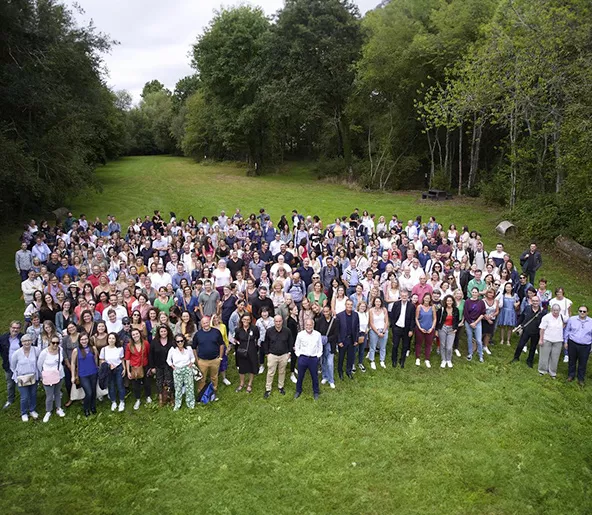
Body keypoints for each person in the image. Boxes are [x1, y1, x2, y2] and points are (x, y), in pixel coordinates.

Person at [192, 316, 224, 400]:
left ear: (209, 322)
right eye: (203, 323)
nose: (205, 324)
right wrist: (197, 360)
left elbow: (221, 345)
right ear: (201, 324)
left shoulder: (216, 332)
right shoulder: (198, 334)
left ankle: (213, 393)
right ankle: (201, 394)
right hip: (202, 361)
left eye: (207, 322)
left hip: (215, 360)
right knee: (202, 378)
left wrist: (220, 358)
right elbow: (194, 348)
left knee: (214, 377)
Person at [10, 334, 39, 421]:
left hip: (33, 376)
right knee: (24, 396)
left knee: (33, 394)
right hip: (21, 378)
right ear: (21, 342)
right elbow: (13, 365)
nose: (27, 342)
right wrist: (18, 373)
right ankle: (24, 413)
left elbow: (39, 361)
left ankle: (32, 410)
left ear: (31, 341)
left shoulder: (36, 350)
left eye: (29, 340)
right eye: (25, 341)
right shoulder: (17, 353)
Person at [37, 335, 66, 422]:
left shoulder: (60, 349)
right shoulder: (44, 352)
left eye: (57, 342)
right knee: (49, 395)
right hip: (48, 376)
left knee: (57, 392)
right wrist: (42, 375)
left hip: (59, 374)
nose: (55, 344)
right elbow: (39, 364)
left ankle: (58, 408)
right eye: (53, 342)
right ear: (50, 343)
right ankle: (48, 411)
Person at [262, 315, 293, 398]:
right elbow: (266, 343)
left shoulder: (287, 331)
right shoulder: (269, 331)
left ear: (282, 321)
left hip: (284, 355)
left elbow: (290, 342)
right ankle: (268, 389)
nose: (278, 323)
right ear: (274, 322)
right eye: (276, 321)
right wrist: (267, 353)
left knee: (282, 372)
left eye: (279, 321)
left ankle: (280, 387)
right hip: (272, 355)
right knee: (270, 372)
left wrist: (289, 353)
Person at [294, 318, 323, 400]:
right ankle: (298, 391)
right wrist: (298, 355)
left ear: (313, 325)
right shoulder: (300, 334)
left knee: (315, 376)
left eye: (310, 325)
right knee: (300, 376)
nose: (308, 326)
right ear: (305, 325)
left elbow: (320, 346)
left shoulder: (318, 334)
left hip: (313, 358)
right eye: (307, 325)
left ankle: (316, 392)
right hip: (303, 358)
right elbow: (297, 346)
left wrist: (318, 356)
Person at [71, 332, 98, 417]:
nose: (84, 341)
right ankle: (86, 408)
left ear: (88, 339)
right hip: (83, 375)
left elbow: (96, 359)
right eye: (82, 339)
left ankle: (93, 406)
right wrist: (73, 375)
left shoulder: (93, 348)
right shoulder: (76, 350)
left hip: (93, 373)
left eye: (85, 339)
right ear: (79, 340)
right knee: (88, 392)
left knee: (93, 391)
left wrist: (97, 369)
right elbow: (73, 363)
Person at [512, 296, 545, 368]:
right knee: (520, 345)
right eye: (533, 301)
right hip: (526, 330)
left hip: (536, 332)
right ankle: (516, 357)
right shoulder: (527, 308)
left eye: (536, 301)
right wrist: (517, 325)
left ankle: (530, 361)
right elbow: (522, 317)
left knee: (533, 347)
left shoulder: (543, 312)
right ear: (531, 301)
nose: (535, 302)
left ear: (539, 302)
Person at [563, 306, 592, 385]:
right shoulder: (572, 319)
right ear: (578, 311)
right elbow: (567, 331)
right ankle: (571, 375)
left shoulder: (591, 322)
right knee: (572, 361)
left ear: (587, 313)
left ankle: (580, 378)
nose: (582, 313)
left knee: (583, 363)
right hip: (573, 343)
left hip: (585, 346)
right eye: (580, 311)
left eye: (584, 311)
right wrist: (565, 342)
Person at [166, 334, 196, 410]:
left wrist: (190, 364)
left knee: (190, 387)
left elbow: (193, 358)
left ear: (184, 340)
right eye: (178, 341)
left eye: (181, 341)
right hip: (177, 370)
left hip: (187, 369)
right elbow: (168, 360)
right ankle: (177, 404)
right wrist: (173, 367)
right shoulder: (172, 349)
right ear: (175, 342)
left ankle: (190, 404)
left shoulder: (188, 348)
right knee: (178, 388)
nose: (180, 343)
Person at [125, 328, 152, 410]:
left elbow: (149, 355)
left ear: (140, 334)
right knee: (136, 385)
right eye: (133, 334)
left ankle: (148, 396)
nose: (135, 336)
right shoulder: (129, 346)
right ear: (131, 336)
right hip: (135, 368)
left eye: (137, 334)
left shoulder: (146, 343)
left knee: (147, 383)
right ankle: (138, 399)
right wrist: (128, 371)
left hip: (145, 366)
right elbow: (127, 359)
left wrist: (150, 367)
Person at [99, 332, 126, 412]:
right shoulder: (104, 349)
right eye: (110, 338)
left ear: (116, 339)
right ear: (107, 339)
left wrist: (124, 369)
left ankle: (122, 401)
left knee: (120, 385)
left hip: (118, 368)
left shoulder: (120, 349)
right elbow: (101, 360)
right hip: (109, 370)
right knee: (111, 386)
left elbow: (122, 359)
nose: (111, 340)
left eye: (113, 338)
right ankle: (113, 402)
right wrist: (108, 365)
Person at [538, 304, 565, 378]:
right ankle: (542, 371)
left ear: (559, 311)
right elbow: (542, 329)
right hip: (547, 339)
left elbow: (566, 323)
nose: (555, 312)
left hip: (558, 340)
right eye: (554, 310)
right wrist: (541, 339)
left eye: (557, 310)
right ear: (551, 310)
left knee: (555, 357)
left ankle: (552, 372)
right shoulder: (546, 317)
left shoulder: (562, 317)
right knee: (544, 356)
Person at [149, 324, 174, 406]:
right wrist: (152, 367)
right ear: (158, 332)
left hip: (168, 366)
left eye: (165, 331)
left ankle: (170, 397)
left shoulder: (172, 341)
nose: (163, 333)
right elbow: (151, 355)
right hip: (158, 365)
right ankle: (161, 398)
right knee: (159, 382)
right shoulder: (154, 342)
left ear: (167, 331)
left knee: (169, 382)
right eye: (161, 331)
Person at [234, 313, 260, 393]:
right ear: (241, 320)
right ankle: (241, 383)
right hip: (242, 350)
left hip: (252, 349)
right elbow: (236, 338)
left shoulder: (254, 328)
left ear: (250, 320)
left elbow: (257, 336)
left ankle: (249, 384)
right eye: (244, 319)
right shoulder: (238, 329)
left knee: (252, 367)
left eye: (248, 319)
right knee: (242, 367)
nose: (246, 321)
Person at [0, 321, 24, 409]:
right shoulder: (3, 338)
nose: (15, 330)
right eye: (14, 327)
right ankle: (10, 400)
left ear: (20, 329)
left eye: (17, 328)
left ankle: (24, 399)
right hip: (8, 366)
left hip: (20, 367)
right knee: (10, 384)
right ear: (10, 328)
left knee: (21, 384)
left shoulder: (22, 338)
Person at [390, 291, 415, 368]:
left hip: (406, 329)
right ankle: (394, 360)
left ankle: (402, 360)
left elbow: (412, 319)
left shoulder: (411, 306)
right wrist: (393, 327)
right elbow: (392, 316)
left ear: (408, 297)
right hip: (397, 327)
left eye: (405, 296)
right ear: (400, 296)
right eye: (402, 295)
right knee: (395, 345)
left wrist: (411, 330)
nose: (404, 297)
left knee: (405, 346)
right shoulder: (396, 304)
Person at [316, 305, 339, 389]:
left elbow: (336, 334)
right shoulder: (319, 321)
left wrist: (327, 339)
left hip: (330, 344)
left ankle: (331, 380)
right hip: (321, 345)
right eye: (324, 311)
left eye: (327, 311)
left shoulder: (335, 321)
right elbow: (317, 332)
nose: (326, 313)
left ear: (330, 311)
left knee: (330, 363)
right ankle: (325, 376)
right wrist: (321, 340)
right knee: (323, 362)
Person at [336, 299, 359, 380]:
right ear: (345, 305)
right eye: (348, 304)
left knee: (350, 357)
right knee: (341, 357)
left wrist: (356, 340)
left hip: (351, 340)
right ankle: (340, 371)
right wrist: (339, 341)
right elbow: (337, 330)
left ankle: (348, 371)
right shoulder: (339, 315)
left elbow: (357, 327)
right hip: (343, 340)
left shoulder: (355, 315)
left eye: (351, 304)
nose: (349, 306)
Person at [436, 295, 459, 368]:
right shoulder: (441, 309)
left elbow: (457, 320)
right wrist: (436, 330)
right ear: (445, 301)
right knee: (442, 345)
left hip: (451, 329)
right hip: (443, 328)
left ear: (453, 301)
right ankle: (443, 360)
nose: (449, 302)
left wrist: (456, 328)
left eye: (450, 301)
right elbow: (437, 320)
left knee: (449, 347)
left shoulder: (456, 310)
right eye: (447, 301)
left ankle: (449, 360)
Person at [414, 293, 436, 368]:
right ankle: (417, 358)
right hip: (420, 328)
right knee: (418, 343)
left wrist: (432, 328)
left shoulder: (432, 307)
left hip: (429, 329)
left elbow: (434, 318)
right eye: (425, 298)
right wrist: (420, 328)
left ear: (430, 299)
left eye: (428, 298)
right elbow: (416, 318)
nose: (427, 299)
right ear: (423, 298)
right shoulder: (419, 307)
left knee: (428, 344)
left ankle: (427, 359)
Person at [464, 287, 486, 362]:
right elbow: (466, 313)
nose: (474, 294)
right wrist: (471, 323)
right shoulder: (467, 301)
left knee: (479, 340)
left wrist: (475, 322)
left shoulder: (481, 302)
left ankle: (480, 354)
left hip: (478, 322)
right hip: (469, 322)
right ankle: (470, 353)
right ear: (471, 293)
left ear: (478, 293)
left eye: (476, 292)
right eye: (473, 292)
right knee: (469, 338)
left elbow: (483, 313)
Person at [368, 297, 388, 369]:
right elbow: (371, 323)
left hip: (383, 330)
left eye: (379, 302)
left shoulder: (384, 309)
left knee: (383, 347)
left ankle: (382, 360)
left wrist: (383, 331)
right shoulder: (371, 310)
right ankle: (372, 360)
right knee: (373, 346)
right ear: (374, 302)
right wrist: (377, 332)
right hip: (374, 330)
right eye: (376, 302)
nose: (378, 303)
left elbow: (386, 321)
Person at [481, 288, 499, 355]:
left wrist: (492, 316)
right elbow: (481, 311)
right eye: (489, 293)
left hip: (492, 319)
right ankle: (479, 347)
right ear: (487, 293)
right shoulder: (482, 301)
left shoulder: (496, 301)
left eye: (492, 293)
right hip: (483, 319)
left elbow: (497, 311)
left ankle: (485, 346)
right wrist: (487, 318)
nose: (491, 294)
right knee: (482, 333)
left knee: (488, 333)